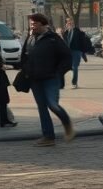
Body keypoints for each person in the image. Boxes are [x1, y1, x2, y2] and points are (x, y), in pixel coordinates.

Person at [21, 13, 74, 146]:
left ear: (43, 24)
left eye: (34, 24)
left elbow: (67, 57)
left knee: (52, 104)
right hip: (35, 79)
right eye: (31, 24)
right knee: (42, 107)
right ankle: (48, 137)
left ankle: (67, 123)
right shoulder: (30, 38)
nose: (32, 26)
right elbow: (25, 56)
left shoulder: (53, 39)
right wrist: (26, 70)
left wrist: (58, 73)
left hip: (51, 78)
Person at [62, 17, 92, 89]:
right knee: (63, 67)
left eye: (70, 22)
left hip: (76, 51)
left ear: (73, 23)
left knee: (74, 67)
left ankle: (74, 83)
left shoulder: (78, 32)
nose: (69, 23)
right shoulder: (65, 32)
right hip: (67, 52)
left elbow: (84, 42)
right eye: (68, 22)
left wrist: (83, 52)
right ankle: (61, 83)